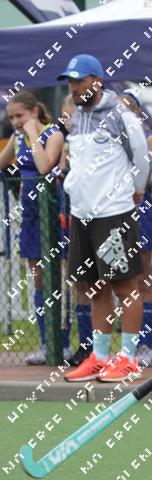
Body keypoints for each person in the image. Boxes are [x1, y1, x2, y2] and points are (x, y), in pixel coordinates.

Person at [57, 54, 150, 383]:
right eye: (70, 81)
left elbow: (141, 157)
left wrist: (137, 190)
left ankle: (129, 358)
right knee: (95, 287)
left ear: (97, 81)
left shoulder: (121, 114)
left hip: (113, 214)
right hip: (82, 215)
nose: (73, 87)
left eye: (79, 80)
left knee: (125, 286)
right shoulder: (76, 117)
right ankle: (99, 358)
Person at [0, 90, 66, 364]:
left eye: (20, 116)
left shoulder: (53, 134)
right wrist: (20, 136)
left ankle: (62, 344)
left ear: (34, 112)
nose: (15, 121)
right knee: (38, 279)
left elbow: (43, 167)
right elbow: (2, 162)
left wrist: (32, 134)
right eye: (12, 117)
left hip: (52, 214)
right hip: (29, 216)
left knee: (58, 278)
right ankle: (45, 343)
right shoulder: (17, 138)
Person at [120, 88, 152, 368]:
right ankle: (128, 347)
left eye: (127, 109)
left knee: (143, 280)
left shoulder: (147, 139)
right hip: (115, 213)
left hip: (140, 210)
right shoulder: (108, 141)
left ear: (137, 112)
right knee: (123, 282)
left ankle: (147, 346)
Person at [57, 94, 94, 367]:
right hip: (72, 218)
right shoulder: (66, 143)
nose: (69, 122)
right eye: (66, 118)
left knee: (102, 284)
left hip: (96, 217)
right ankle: (85, 344)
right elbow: (59, 171)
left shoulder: (92, 142)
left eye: (73, 117)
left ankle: (115, 346)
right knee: (80, 283)